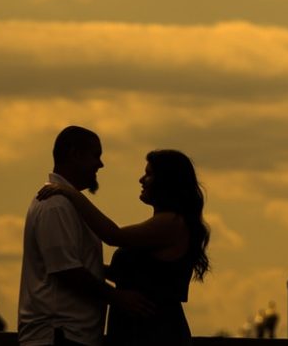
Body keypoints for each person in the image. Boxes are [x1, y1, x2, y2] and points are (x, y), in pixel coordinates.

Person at [38, 148, 212, 343]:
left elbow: (114, 235)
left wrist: (70, 193)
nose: (141, 179)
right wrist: (74, 266)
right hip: (136, 327)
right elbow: (132, 274)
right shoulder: (167, 223)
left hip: (155, 331)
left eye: (149, 174)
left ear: (167, 181)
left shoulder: (172, 223)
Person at [18, 126, 149, 346]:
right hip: (59, 333)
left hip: (67, 333)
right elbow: (66, 270)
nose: (100, 164)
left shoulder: (65, 203)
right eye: (95, 155)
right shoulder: (56, 206)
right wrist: (118, 297)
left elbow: (72, 266)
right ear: (75, 154)